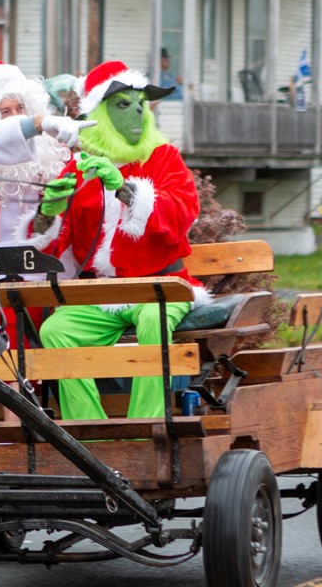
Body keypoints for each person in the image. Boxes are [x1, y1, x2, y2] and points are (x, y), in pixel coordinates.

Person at [28, 59, 209, 420]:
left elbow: (183, 210)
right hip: (104, 293)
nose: (137, 115)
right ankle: (89, 431)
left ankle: (149, 425)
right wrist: (49, 209)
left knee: (152, 322)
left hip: (163, 286)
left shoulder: (164, 156)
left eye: (141, 105)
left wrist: (124, 190)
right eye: (123, 106)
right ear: (101, 114)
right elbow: (56, 244)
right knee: (57, 330)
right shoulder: (81, 163)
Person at [0, 61, 93, 249]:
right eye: (5, 111)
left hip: (46, 270)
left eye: (20, 109)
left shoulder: (52, 153)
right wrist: (34, 124)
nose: (16, 117)